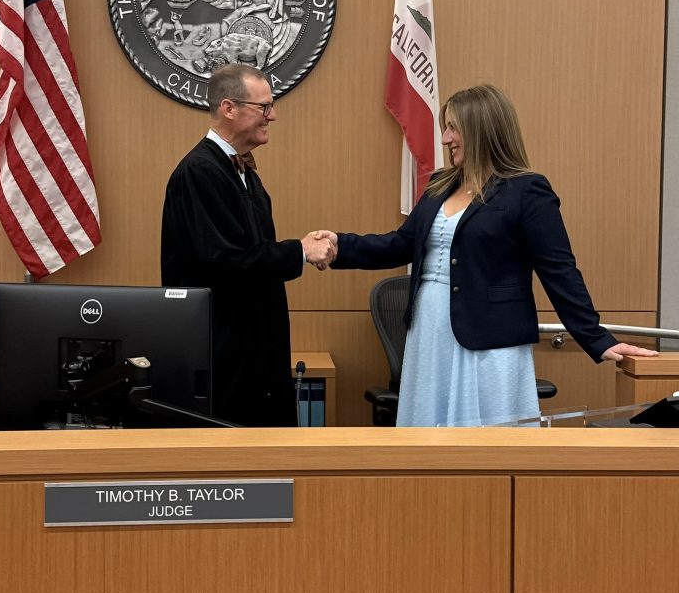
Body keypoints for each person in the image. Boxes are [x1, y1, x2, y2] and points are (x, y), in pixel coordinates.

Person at [320, 84, 658, 427]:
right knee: (427, 434)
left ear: (481, 130)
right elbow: (400, 244)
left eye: (453, 128)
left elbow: (559, 270)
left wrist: (597, 339)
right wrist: (339, 246)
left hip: (490, 340)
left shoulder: (527, 191)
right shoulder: (440, 185)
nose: (445, 138)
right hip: (430, 329)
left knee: (488, 443)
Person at [160, 64, 334, 426]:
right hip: (223, 351)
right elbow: (225, 259)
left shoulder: (242, 171)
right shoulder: (200, 171)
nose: (273, 115)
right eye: (264, 107)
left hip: (254, 344)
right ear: (229, 108)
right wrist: (300, 251)